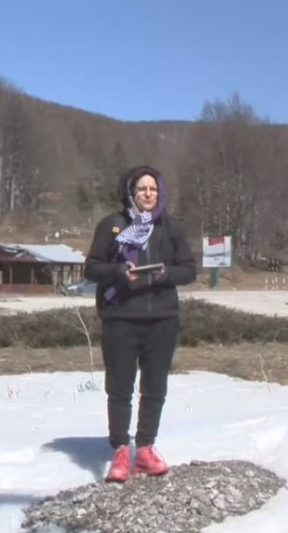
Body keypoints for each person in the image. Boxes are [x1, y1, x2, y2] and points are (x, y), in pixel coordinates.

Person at [84, 165, 196, 482]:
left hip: (162, 318)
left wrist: (166, 274)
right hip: (120, 317)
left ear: (160, 193)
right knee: (120, 387)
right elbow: (91, 268)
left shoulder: (171, 228)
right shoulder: (112, 225)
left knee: (155, 387)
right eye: (142, 188)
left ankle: (145, 448)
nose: (148, 194)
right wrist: (118, 272)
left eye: (153, 189)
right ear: (131, 192)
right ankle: (121, 449)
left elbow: (189, 270)